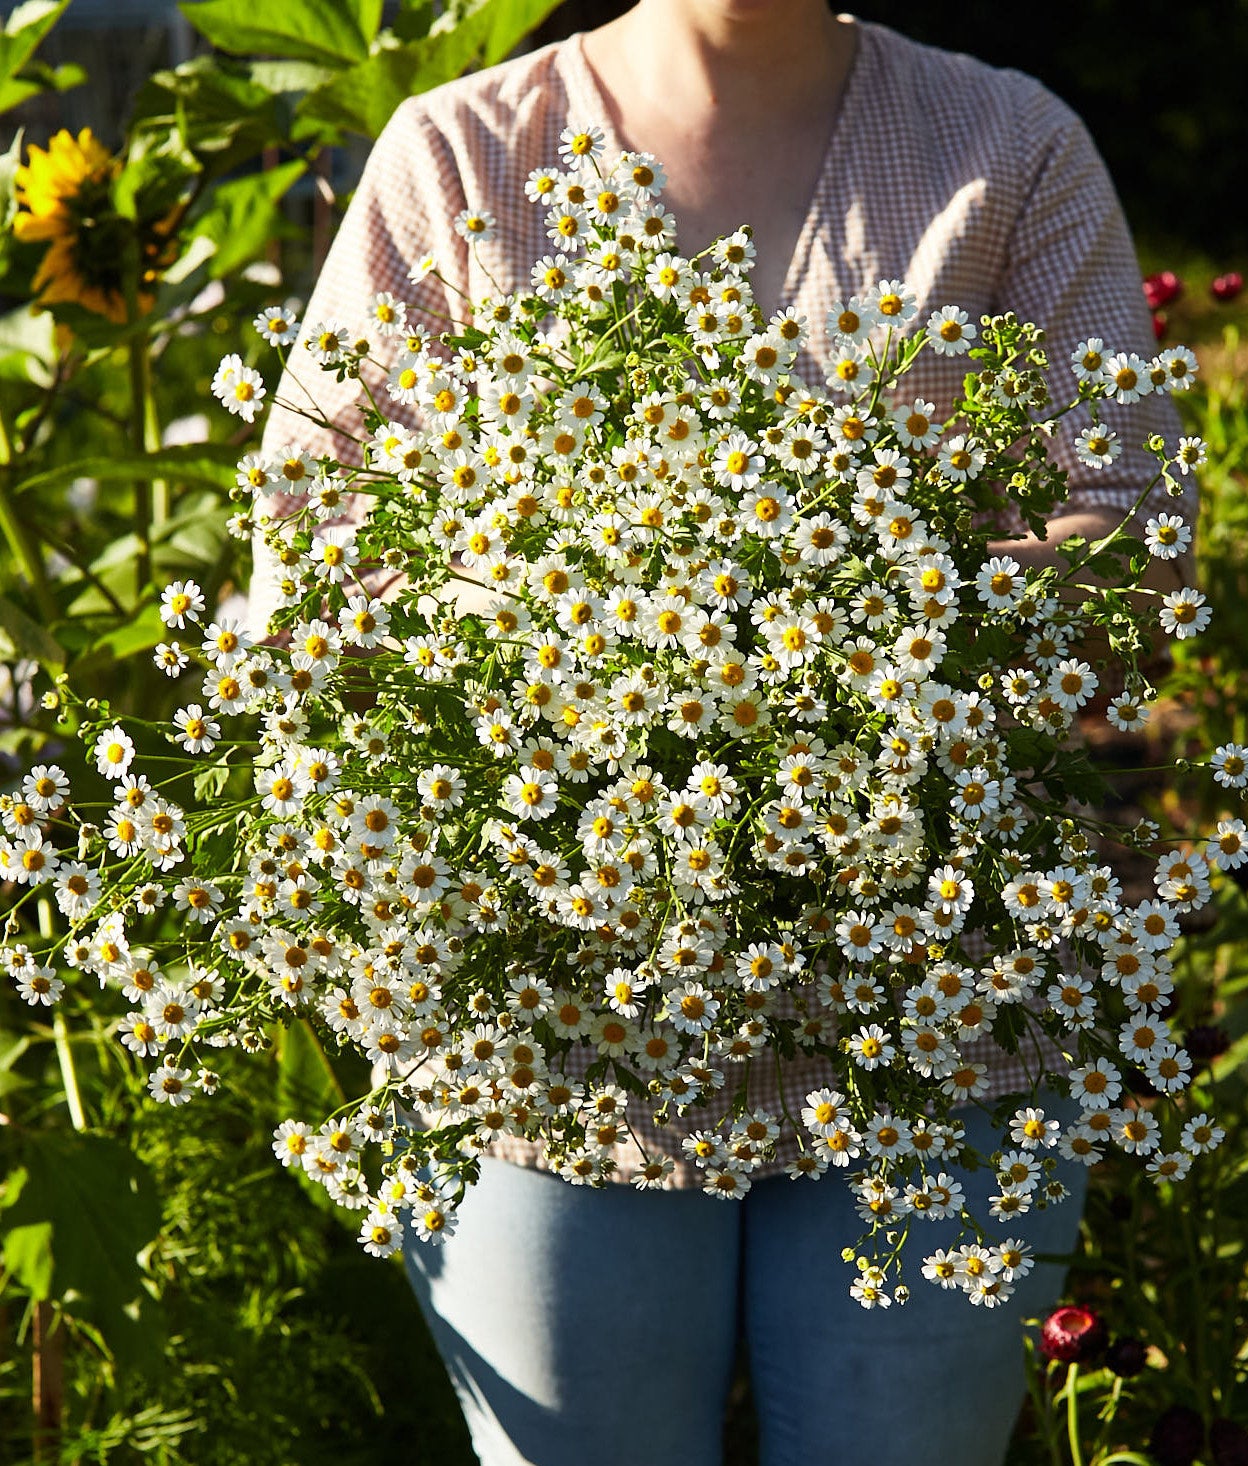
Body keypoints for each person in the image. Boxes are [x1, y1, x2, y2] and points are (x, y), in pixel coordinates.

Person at [249, 4, 1188, 1461]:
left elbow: (1132, 539)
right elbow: (308, 564)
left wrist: (826, 622)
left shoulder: (1006, 148)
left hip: (945, 1005)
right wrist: (604, 642)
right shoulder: (462, 159)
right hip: (551, 1024)